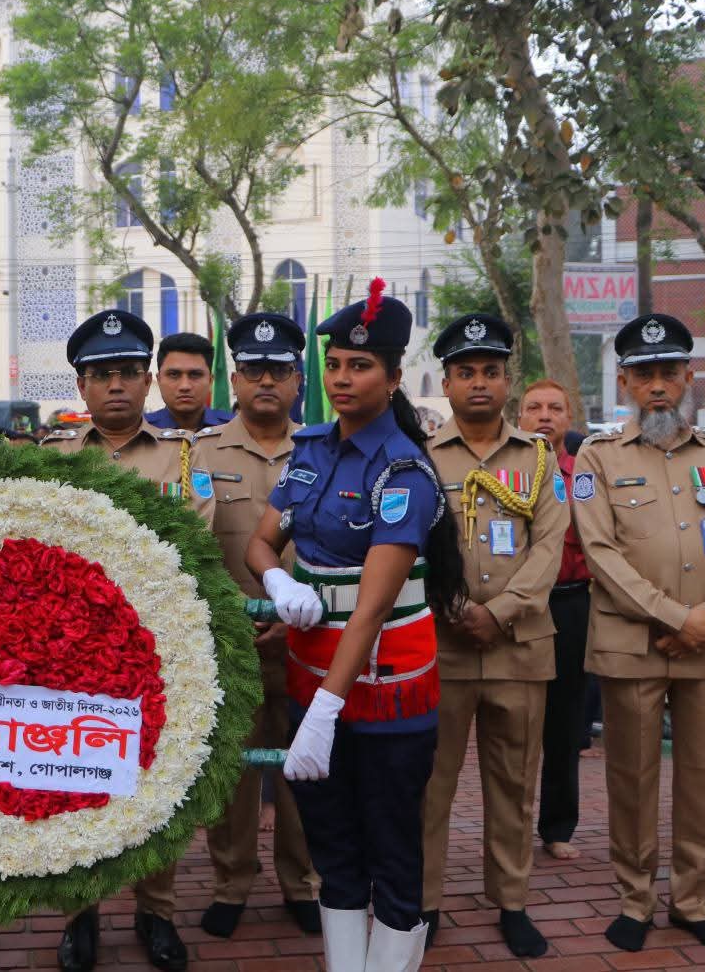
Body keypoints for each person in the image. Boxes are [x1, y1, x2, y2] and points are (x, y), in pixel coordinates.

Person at [246, 281, 466, 972]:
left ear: (394, 377)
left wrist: (323, 714)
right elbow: (261, 542)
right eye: (335, 364)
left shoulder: (403, 470)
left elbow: (370, 607)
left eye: (361, 366)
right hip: (312, 679)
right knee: (333, 851)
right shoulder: (310, 451)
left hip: (385, 693)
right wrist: (279, 581)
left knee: (393, 855)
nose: (343, 378)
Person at [571, 313, 705, 955]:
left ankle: (693, 901)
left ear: (688, 377)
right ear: (624, 381)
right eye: (644, 373)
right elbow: (600, 553)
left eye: (669, 372)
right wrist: (679, 619)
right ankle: (635, 900)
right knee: (632, 778)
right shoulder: (598, 457)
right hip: (634, 645)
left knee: (702, 777)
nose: (658, 385)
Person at [42, 309, 214, 972]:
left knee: (158, 786)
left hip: (153, 651)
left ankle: (156, 911)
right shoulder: (52, 458)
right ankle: (79, 914)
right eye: (101, 374)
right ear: (81, 387)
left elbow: (193, 543)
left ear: (147, 382)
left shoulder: (183, 456)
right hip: (72, 656)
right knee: (76, 784)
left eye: (126, 373)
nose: (114, 385)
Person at [420, 315, 567, 958]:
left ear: (508, 381)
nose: (478, 382)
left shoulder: (538, 458)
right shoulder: (421, 458)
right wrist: (453, 607)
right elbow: (411, 545)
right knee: (431, 786)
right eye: (465, 372)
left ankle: (511, 901)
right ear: (446, 383)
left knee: (514, 786)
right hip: (440, 649)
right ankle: (424, 902)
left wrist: (500, 611)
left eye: (490, 371)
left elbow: (549, 546)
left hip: (518, 648)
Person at [191, 312, 321, 940]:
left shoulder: (325, 450)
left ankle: (302, 883)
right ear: (235, 380)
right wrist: (233, 619)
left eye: (279, 370)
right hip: (232, 643)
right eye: (254, 370)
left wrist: (296, 620)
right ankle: (231, 883)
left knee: (304, 767)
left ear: (298, 380)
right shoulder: (201, 452)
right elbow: (191, 549)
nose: (266, 381)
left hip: (311, 641)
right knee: (233, 774)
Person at [516, 380, 594, 861]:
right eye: (534, 407)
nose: (544, 416)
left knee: (565, 722)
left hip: (571, 603)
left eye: (555, 408)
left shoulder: (587, 473)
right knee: (517, 723)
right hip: (519, 607)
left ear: (569, 417)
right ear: (519, 417)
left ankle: (558, 826)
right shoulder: (506, 472)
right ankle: (512, 826)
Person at [144, 332, 232, 433]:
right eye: (173, 374)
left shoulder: (235, 429)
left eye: (195, 375)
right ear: (159, 380)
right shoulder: (139, 431)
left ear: (210, 381)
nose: (185, 386)